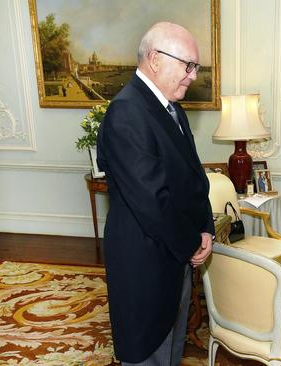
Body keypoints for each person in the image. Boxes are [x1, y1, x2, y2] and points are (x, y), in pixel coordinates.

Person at [96, 22, 214, 365]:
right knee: (149, 353)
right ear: (155, 59)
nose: (193, 75)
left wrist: (204, 227)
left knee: (171, 349)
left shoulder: (170, 107)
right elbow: (153, 201)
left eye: (196, 67)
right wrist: (192, 242)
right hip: (144, 264)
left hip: (173, 254)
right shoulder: (127, 112)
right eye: (187, 65)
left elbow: (193, 180)